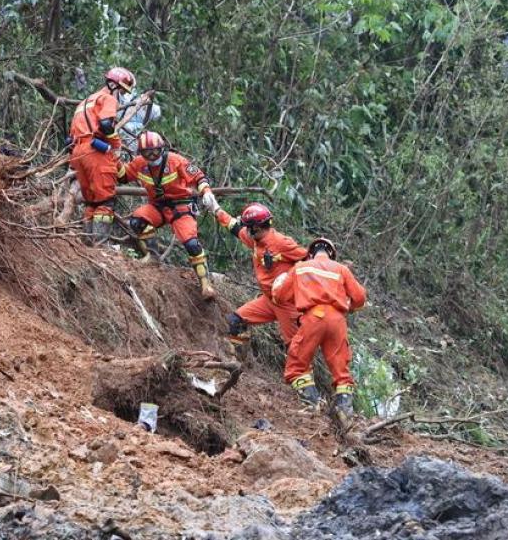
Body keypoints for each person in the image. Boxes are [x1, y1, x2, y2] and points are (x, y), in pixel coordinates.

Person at [272, 237, 366, 425]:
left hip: (314, 317)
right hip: (338, 321)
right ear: (331, 253)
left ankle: (312, 404)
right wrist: (350, 307)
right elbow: (360, 297)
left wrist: (282, 288)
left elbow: (280, 296)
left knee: (297, 365)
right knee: (341, 370)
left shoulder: (300, 267)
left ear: (311, 253)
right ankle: (345, 413)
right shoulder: (341, 269)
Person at [117, 130, 221, 299]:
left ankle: (205, 284)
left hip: (181, 207)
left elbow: (199, 176)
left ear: (162, 148)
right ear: (141, 153)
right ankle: (153, 257)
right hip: (157, 207)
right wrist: (113, 156)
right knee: (137, 221)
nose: (151, 155)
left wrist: (207, 192)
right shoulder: (139, 164)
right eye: (146, 152)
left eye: (155, 151)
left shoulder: (175, 160)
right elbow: (122, 177)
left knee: (192, 244)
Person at [214, 203, 307, 359]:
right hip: (268, 301)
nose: (246, 231)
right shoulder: (256, 240)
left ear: (256, 228)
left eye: (248, 227)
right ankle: (236, 361)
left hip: (287, 304)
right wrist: (216, 209)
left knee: (296, 352)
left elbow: (309, 259)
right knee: (234, 322)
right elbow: (235, 228)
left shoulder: (281, 243)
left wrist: (290, 276)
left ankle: (303, 381)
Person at [68, 67, 135, 245]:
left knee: (91, 201)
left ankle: (88, 244)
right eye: (121, 90)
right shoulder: (107, 99)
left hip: (77, 153)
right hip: (95, 152)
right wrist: (116, 144)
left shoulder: (85, 102)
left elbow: (70, 138)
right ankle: (100, 246)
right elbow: (106, 124)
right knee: (106, 200)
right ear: (113, 85)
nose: (121, 95)